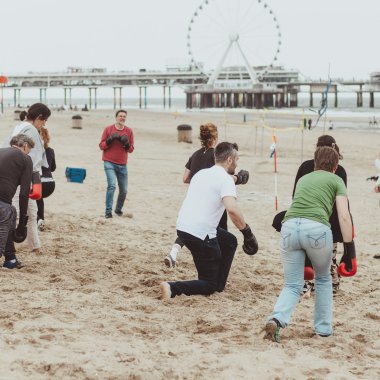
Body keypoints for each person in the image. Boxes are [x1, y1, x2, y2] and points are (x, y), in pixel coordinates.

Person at [265, 146, 354, 342]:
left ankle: (276, 318)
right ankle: (322, 329)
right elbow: (344, 215)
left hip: (289, 227)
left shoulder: (304, 179)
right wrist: (349, 249)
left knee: (292, 284)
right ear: (336, 165)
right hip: (316, 229)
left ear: (315, 163)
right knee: (322, 279)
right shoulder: (337, 179)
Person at [160, 142, 258, 300]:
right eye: (237, 159)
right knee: (208, 284)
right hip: (201, 234)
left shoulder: (201, 174)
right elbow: (232, 209)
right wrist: (247, 233)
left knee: (230, 241)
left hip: (183, 229)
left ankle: (219, 284)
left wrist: (238, 178)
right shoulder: (225, 180)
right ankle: (172, 288)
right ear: (230, 161)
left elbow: (222, 181)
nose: (238, 163)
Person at [164, 123, 249, 268]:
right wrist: (239, 178)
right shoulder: (216, 155)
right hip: (213, 198)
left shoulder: (195, 154)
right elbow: (224, 179)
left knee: (193, 225)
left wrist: (200, 181)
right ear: (215, 136)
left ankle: (174, 252)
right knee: (219, 233)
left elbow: (185, 178)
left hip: (195, 196)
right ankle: (217, 269)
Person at [292, 135, 348, 295]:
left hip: (310, 217)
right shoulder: (339, 169)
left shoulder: (307, 166)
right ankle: (329, 286)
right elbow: (342, 201)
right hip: (329, 220)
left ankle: (312, 285)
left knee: (309, 254)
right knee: (326, 257)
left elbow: (295, 194)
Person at [2, 103, 51, 255]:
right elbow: (33, 159)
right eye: (44, 120)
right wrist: (36, 181)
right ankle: (9, 250)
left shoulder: (18, 126)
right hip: (22, 176)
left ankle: (35, 247)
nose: (44, 124)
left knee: (31, 212)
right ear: (38, 117)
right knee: (14, 214)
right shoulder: (31, 130)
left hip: (13, 173)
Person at [0, 134, 34, 269]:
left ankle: (11, 259)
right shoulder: (25, 158)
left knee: (12, 212)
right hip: (2, 204)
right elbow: (24, 193)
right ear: (25, 146)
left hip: (5, 205)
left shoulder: (1, 151)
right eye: (28, 150)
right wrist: (23, 223)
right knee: (7, 214)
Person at [99, 109, 134, 218]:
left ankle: (118, 210)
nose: (122, 118)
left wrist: (127, 145)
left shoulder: (129, 131)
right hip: (109, 162)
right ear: (116, 117)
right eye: (120, 116)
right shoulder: (108, 129)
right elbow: (101, 146)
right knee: (112, 186)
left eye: (124, 116)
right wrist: (109, 140)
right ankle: (108, 212)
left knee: (124, 190)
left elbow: (131, 149)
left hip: (122, 164)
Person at [36, 127, 56, 231]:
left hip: (38, 182)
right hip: (50, 184)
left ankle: (38, 219)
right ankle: (41, 220)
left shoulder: (33, 151)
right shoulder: (51, 151)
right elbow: (53, 168)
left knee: (30, 201)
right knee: (39, 198)